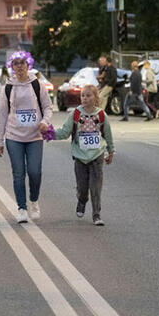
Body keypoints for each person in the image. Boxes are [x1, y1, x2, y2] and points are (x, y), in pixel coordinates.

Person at [0, 50, 53, 223]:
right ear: (11, 67)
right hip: (14, 136)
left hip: (35, 136)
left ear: (28, 65)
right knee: (18, 173)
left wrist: (45, 121)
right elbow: (2, 115)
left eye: (22, 63)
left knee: (35, 172)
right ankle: (22, 208)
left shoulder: (37, 85)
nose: (19, 66)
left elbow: (48, 107)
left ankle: (34, 200)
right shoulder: (7, 87)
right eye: (16, 63)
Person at [52, 84, 115, 225]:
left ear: (96, 97)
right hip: (80, 157)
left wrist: (111, 151)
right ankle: (82, 200)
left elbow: (108, 134)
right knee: (82, 187)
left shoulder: (101, 115)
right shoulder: (75, 114)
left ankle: (96, 215)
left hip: (97, 155)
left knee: (96, 187)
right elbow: (65, 132)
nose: (85, 98)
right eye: (82, 95)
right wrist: (50, 134)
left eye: (88, 95)